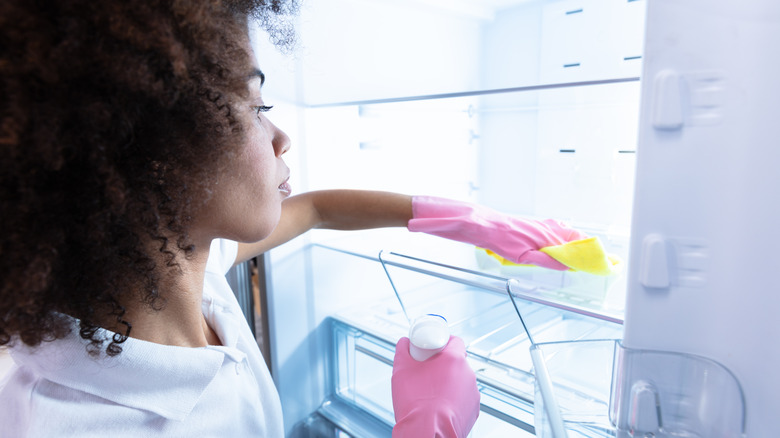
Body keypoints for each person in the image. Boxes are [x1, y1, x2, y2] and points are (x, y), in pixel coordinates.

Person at [0, 1, 586, 436]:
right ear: (153, 150)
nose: (281, 136)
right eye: (257, 107)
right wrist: (425, 426)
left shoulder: (177, 270)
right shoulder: (74, 423)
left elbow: (315, 209)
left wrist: (465, 219)